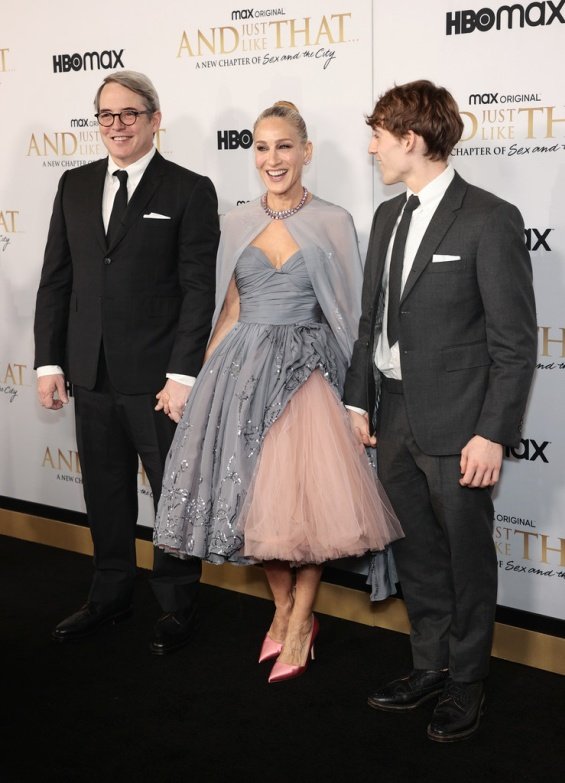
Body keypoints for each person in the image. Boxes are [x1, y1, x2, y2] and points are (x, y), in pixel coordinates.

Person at [153, 101, 403, 682]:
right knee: (248, 497)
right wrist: (198, 379)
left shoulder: (335, 221)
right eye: (262, 148)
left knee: (309, 503)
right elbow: (228, 305)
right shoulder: (236, 220)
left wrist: (356, 392)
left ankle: (302, 616)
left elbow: (352, 314)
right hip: (240, 371)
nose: (273, 159)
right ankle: (284, 609)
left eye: (285, 146)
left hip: (311, 373)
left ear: (306, 152)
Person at [344, 80, 537, 741]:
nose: (370, 147)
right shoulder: (384, 216)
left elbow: (513, 344)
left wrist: (492, 432)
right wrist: (356, 400)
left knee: (464, 560)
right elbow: (369, 321)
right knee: (418, 557)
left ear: (410, 139)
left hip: (460, 428)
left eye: (378, 135)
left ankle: (465, 684)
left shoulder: (488, 217)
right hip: (393, 417)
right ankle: (427, 665)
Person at [34, 71, 219, 654]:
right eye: (106, 115)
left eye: (129, 114)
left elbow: (198, 291)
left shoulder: (190, 189)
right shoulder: (73, 184)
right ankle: (110, 593)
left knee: (173, 495)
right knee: (105, 491)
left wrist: (183, 375)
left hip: (159, 381)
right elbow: (55, 280)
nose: (116, 125)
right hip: (88, 373)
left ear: (155, 119)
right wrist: (47, 362)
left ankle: (176, 602)